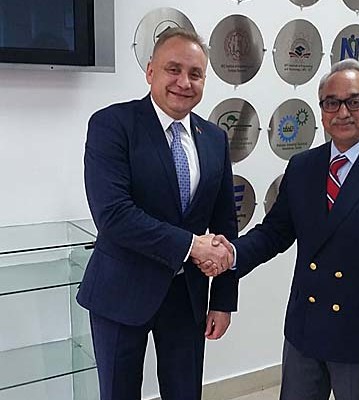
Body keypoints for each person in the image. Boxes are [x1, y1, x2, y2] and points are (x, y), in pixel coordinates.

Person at [205, 59, 359, 400]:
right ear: (321, 110)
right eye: (331, 102)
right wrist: (232, 253)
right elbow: (275, 232)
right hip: (305, 330)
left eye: (354, 101)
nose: (342, 112)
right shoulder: (303, 166)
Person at [77, 27, 237, 400]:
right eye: (173, 69)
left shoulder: (214, 139)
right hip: (120, 292)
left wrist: (223, 300)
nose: (184, 82)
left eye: (195, 73)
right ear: (150, 71)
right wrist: (192, 246)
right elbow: (114, 216)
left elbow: (225, 225)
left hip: (187, 297)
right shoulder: (112, 125)